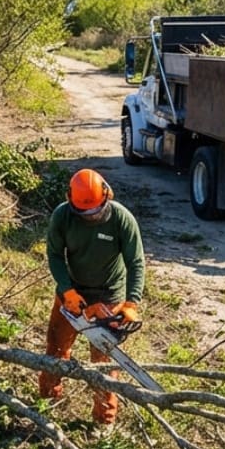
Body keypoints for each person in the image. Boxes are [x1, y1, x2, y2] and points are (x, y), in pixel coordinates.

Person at [40, 168, 146, 425]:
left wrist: (131, 302)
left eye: (95, 211)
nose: (91, 216)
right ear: (71, 200)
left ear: (107, 196)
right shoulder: (63, 216)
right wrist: (66, 290)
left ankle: (103, 421)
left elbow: (136, 262)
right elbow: (55, 255)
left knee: (104, 364)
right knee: (55, 350)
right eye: (84, 212)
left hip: (109, 295)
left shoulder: (122, 218)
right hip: (73, 294)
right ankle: (46, 405)